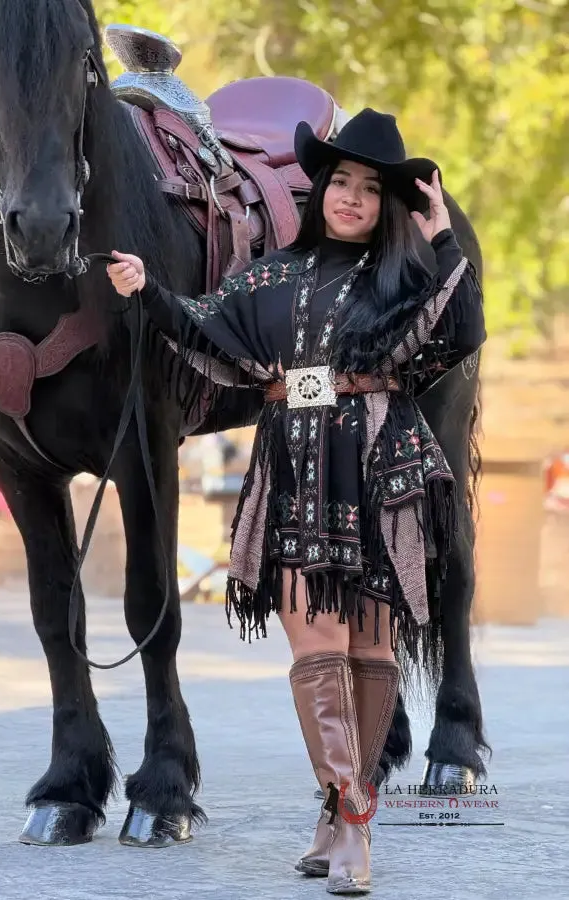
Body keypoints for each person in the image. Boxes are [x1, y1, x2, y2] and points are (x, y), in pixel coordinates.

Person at [107, 108, 486, 895]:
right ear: (318, 191)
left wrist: (443, 230)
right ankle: (349, 814)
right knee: (315, 651)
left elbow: (460, 327)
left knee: (370, 653)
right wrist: (145, 290)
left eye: (369, 188)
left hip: (383, 473)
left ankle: (343, 822)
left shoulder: (406, 274)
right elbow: (208, 331)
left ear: (389, 205)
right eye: (338, 181)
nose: (350, 197)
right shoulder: (266, 277)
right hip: (295, 473)